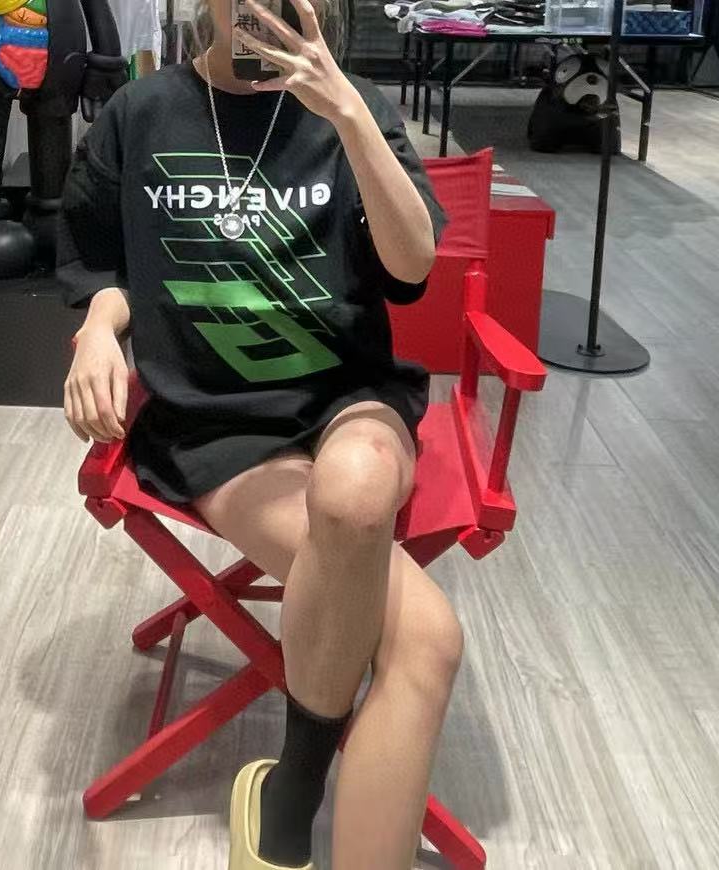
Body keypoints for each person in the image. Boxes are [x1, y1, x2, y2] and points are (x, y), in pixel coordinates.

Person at [62, 0, 462, 866]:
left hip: (351, 395)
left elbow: (412, 266)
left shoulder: (354, 107)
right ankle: (290, 799)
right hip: (217, 421)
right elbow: (103, 264)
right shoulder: (140, 113)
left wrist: (347, 113)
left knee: (357, 485)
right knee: (426, 639)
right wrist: (97, 327)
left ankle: (293, 798)